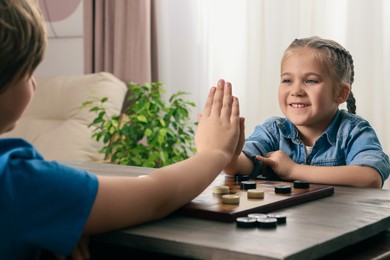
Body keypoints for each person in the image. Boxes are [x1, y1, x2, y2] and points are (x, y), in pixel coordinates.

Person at [0, 0, 243, 259]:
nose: (34, 83)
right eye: (28, 72)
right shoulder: (18, 182)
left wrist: (62, 222)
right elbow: (154, 196)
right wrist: (214, 152)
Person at [224, 36, 390, 188]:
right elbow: (245, 164)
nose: (296, 91)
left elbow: (370, 178)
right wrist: (229, 156)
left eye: (310, 81)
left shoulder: (354, 131)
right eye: (287, 80)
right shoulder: (273, 131)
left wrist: (293, 170)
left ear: (341, 93)